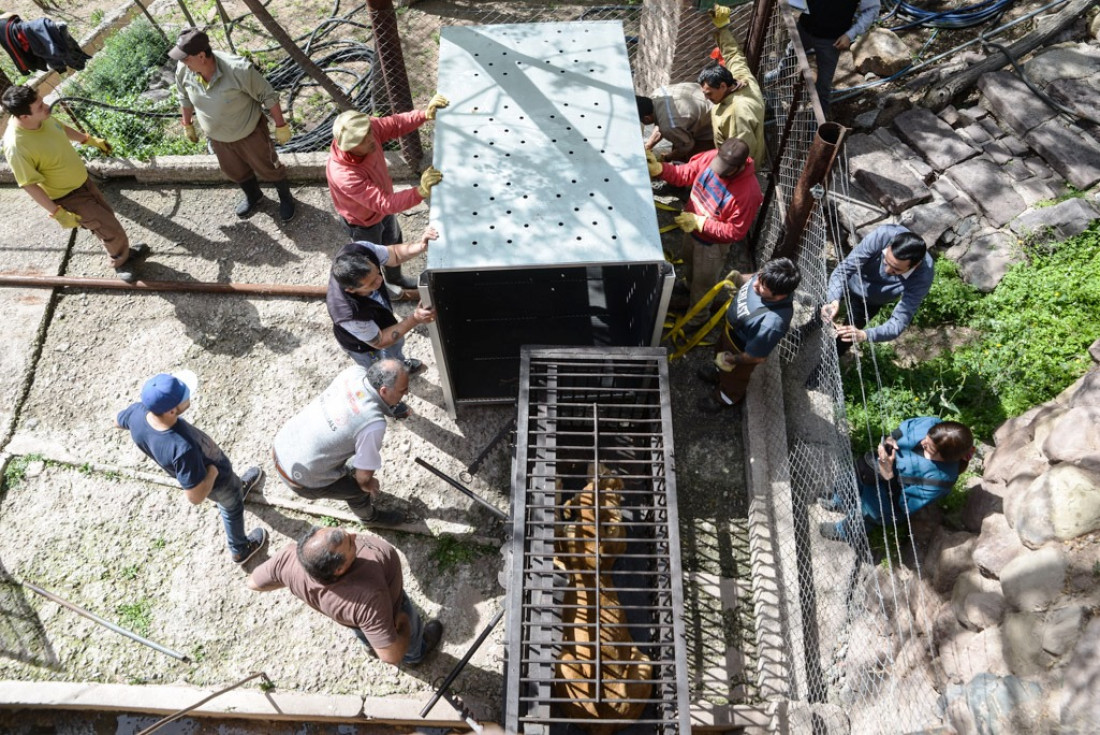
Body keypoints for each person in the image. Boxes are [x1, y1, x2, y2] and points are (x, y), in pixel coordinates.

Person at [1, 85, 150, 282]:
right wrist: (57, 213)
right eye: (39, 107)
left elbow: (59, 128)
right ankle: (120, 262)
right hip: (68, 196)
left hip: (83, 182)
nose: (46, 107)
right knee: (108, 227)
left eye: (42, 101)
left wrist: (88, 140)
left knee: (107, 220)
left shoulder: (42, 119)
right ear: (24, 117)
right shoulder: (16, 146)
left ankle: (123, 251)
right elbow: (29, 184)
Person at [116, 371, 266, 564]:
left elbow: (117, 421)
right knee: (232, 508)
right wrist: (212, 473)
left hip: (222, 477)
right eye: (184, 395)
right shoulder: (182, 448)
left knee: (234, 489)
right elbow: (195, 497)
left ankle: (239, 488)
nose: (189, 395)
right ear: (171, 411)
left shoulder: (137, 413)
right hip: (218, 484)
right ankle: (239, 550)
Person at [247, 525, 443, 667]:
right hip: (388, 610)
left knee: (362, 630)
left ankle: (369, 644)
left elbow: (254, 583)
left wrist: (291, 581)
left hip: (355, 620)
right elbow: (391, 655)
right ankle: (416, 655)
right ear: (340, 569)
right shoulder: (369, 600)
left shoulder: (287, 559)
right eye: (350, 543)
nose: (354, 534)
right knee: (404, 639)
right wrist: (404, 624)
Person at [172, 28, 298, 221]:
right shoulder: (185, 69)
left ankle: (285, 197)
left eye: (186, 58)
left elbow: (268, 95)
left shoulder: (238, 70)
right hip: (218, 138)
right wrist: (187, 124)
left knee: (268, 167)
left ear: (201, 56)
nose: (182, 62)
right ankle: (253, 196)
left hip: (250, 133)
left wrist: (280, 125)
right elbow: (184, 97)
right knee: (235, 171)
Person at [326, 98, 447, 294]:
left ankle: (395, 278)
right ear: (350, 146)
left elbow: (394, 124)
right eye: (364, 141)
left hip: (382, 212)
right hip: (363, 223)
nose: (372, 139)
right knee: (370, 262)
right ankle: (379, 288)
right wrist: (420, 192)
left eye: (369, 134)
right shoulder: (345, 174)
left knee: (393, 241)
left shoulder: (366, 129)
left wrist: (424, 114)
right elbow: (383, 203)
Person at [270, 359, 410, 526]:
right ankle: (369, 518)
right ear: (384, 390)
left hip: (281, 444)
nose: (407, 393)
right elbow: (363, 479)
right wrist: (369, 484)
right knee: (359, 490)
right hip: (301, 479)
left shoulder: (353, 372)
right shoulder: (373, 424)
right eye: (403, 390)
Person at [648, 138, 763, 318]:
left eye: (724, 171)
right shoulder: (710, 157)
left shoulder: (748, 192)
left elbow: (735, 231)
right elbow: (685, 173)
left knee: (703, 284)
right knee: (689, 263)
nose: (718, 172)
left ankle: (697, 318)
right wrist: (662, 169)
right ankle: (688, 286)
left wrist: (701, 223)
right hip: (690, 227)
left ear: (739, 167)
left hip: (711, 247)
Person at [819, 417, 974, 541]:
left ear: (944, 458)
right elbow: (906, 426)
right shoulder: (932, 423)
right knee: (853, 478)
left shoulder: (939, 480)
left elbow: (905, 505)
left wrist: (887, 475)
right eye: (925, 439)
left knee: (866, 512)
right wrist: (891, 438)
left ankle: (844, 532)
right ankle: (839, 501)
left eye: (928, 447)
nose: (922, 443)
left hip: (887, 498)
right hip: (876, 467)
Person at [696, 258, 801, 412]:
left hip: (741, 351)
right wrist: (739, 278)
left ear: (779, 296)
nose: (754, 284)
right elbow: (754, 277)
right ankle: (718, 373)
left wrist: (733, 359)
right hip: (729, 333)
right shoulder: (766, 278)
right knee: (720, 359)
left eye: (762, 287)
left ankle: (725, 398)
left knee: (734, 379)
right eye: (759, 277)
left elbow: (756, 356)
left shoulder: (772, 323)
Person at [328, 227, 438, 372]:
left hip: (379, 319)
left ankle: (400, 365)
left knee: (395, 347)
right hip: (365, 347)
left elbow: (395, 254)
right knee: (381, 369)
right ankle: (389, 376)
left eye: (377, 273)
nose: (380, 281)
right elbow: (380, 341)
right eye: (371, 283)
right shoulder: (351, 315)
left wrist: (420, 246)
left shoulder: (360, 250)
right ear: (351, 290)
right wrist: (415, 319)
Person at [821, 224, 933, 355]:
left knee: (845, 339)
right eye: (886, 261)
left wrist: (864, 335)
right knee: (824, 310)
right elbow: (843, 271)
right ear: (888, 246)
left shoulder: (923, 276)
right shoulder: (882, 236)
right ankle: (806, 331)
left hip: (871, 302)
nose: (886, 270)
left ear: (916, 265)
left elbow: (898, 322)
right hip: (851, 279)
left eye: (896, 269)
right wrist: (833, 300)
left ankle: (827, 362)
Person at [770, 0, 880, 116]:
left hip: (831, 40)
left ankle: (819, 121)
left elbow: (872, 9)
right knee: (791, 53)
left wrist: (850, 35)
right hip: (805, 27)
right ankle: (780, 74)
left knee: (823, 85)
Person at [705, 5, 766, 167]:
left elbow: (740, 156)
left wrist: (728, 176)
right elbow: (733, 54)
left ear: (723, 86)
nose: (707, 98)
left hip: (735, 169)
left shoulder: (737, 114)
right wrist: (723, 27)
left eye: (709, 94)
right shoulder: (742, 78)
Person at [635, 83, 713, 162]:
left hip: (710, 122)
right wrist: (648, 146)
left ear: (646, 119)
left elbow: (687, 146)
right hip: (706, 97)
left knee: (693, 161)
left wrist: (666, 158)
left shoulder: (668, 126)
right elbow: (662, 124)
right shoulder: (657, 93)